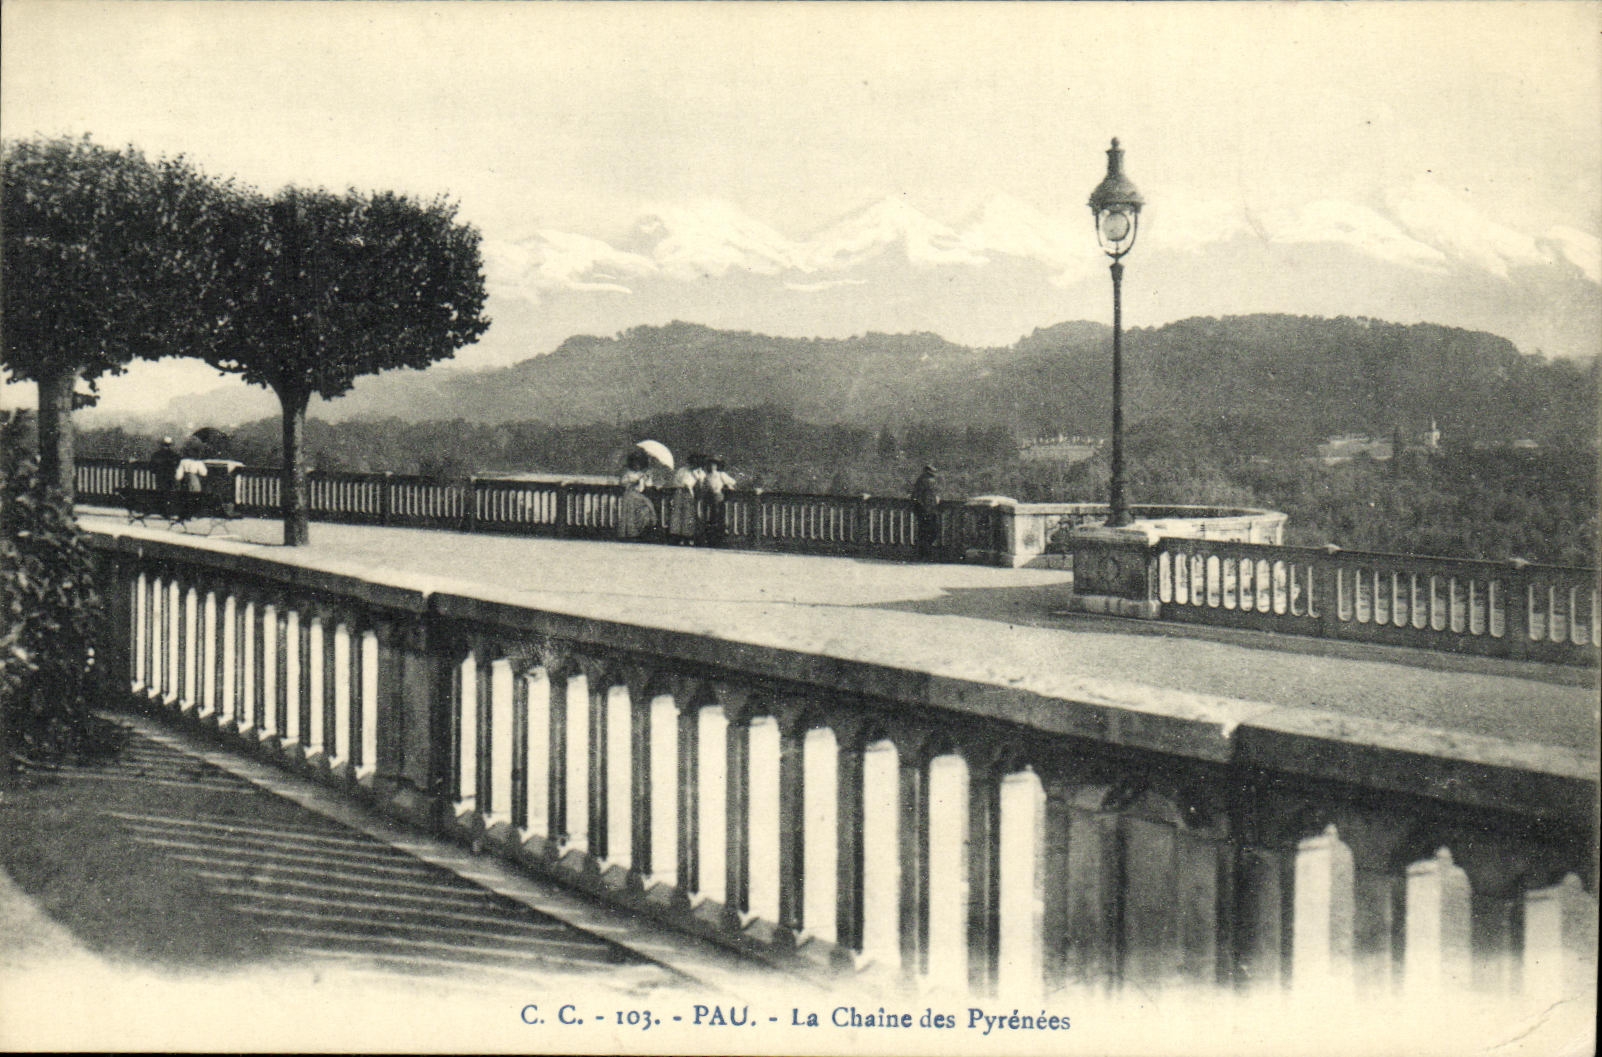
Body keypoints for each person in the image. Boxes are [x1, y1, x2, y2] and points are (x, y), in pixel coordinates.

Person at [617, 448, 657, 540]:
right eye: (635, 463)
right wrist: (633, 480)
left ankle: (640, 532)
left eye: (639, 463)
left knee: (646, 510)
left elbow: (646, 486)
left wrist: (646, 478)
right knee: (630, 513)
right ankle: (630, 534)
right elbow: (622, 482)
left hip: (639, 496)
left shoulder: (643, 474)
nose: (637, 465)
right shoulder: (628, 473)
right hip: (630, 495)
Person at [697, 455, 736, 547]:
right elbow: (704, 487)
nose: (711, 467)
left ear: (717, 466)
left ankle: (720, 539)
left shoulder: (721, 475)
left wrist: (728, 486)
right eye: (710, 465)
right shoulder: (706, 476)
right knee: (709, 518)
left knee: (719, 517)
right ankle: (711, 539)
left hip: (718, 497)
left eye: (714, 465)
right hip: (708, 497)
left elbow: (732, 481)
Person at [667, 453, 703, 545]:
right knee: (677, 513)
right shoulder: (682, 470)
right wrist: (682, 485)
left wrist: (697, 477)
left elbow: (701, 484)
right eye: (691, 462)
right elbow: (675, 481)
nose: (693, 464)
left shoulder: (700, 472)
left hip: (690, 493)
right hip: (680, 491)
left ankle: (688, 536)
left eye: (695, 463)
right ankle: (676, 536)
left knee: (689, 514)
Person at [911, 464, 940, 561]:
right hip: (927, 510)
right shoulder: (925, 481)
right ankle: (925, 553)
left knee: (924, 532)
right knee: (929, 531)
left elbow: (917, 496)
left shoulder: (922, 481)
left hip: (926, 509)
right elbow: (919, 496)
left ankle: (924, 553)